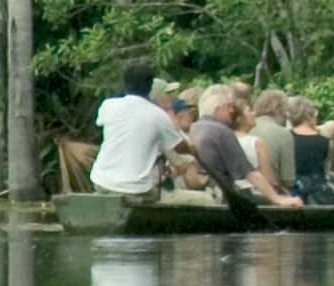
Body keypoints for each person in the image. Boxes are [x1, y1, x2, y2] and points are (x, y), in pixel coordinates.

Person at [190, 90, 299, 210]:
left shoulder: (195, 127)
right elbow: (249, 172)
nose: (232, 111)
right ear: (217, 109)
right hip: (222, 194)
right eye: (228, 107)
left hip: (204, 189)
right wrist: (277, 199)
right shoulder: (221, 131)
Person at [91, 64, 186, 199]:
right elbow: (180, 147)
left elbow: (102, 122)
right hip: (135, 189)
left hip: (101, 181)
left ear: (124, 84)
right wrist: (192, 149)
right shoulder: (159, 116)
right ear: (150, 86)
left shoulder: (108, 105)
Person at [250, 91, 302, 202]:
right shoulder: (283, 134)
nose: (287, 116)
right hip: (271, 194)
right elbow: (289, 180)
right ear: (278, 109)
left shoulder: (244, 128)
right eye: (286, 110)